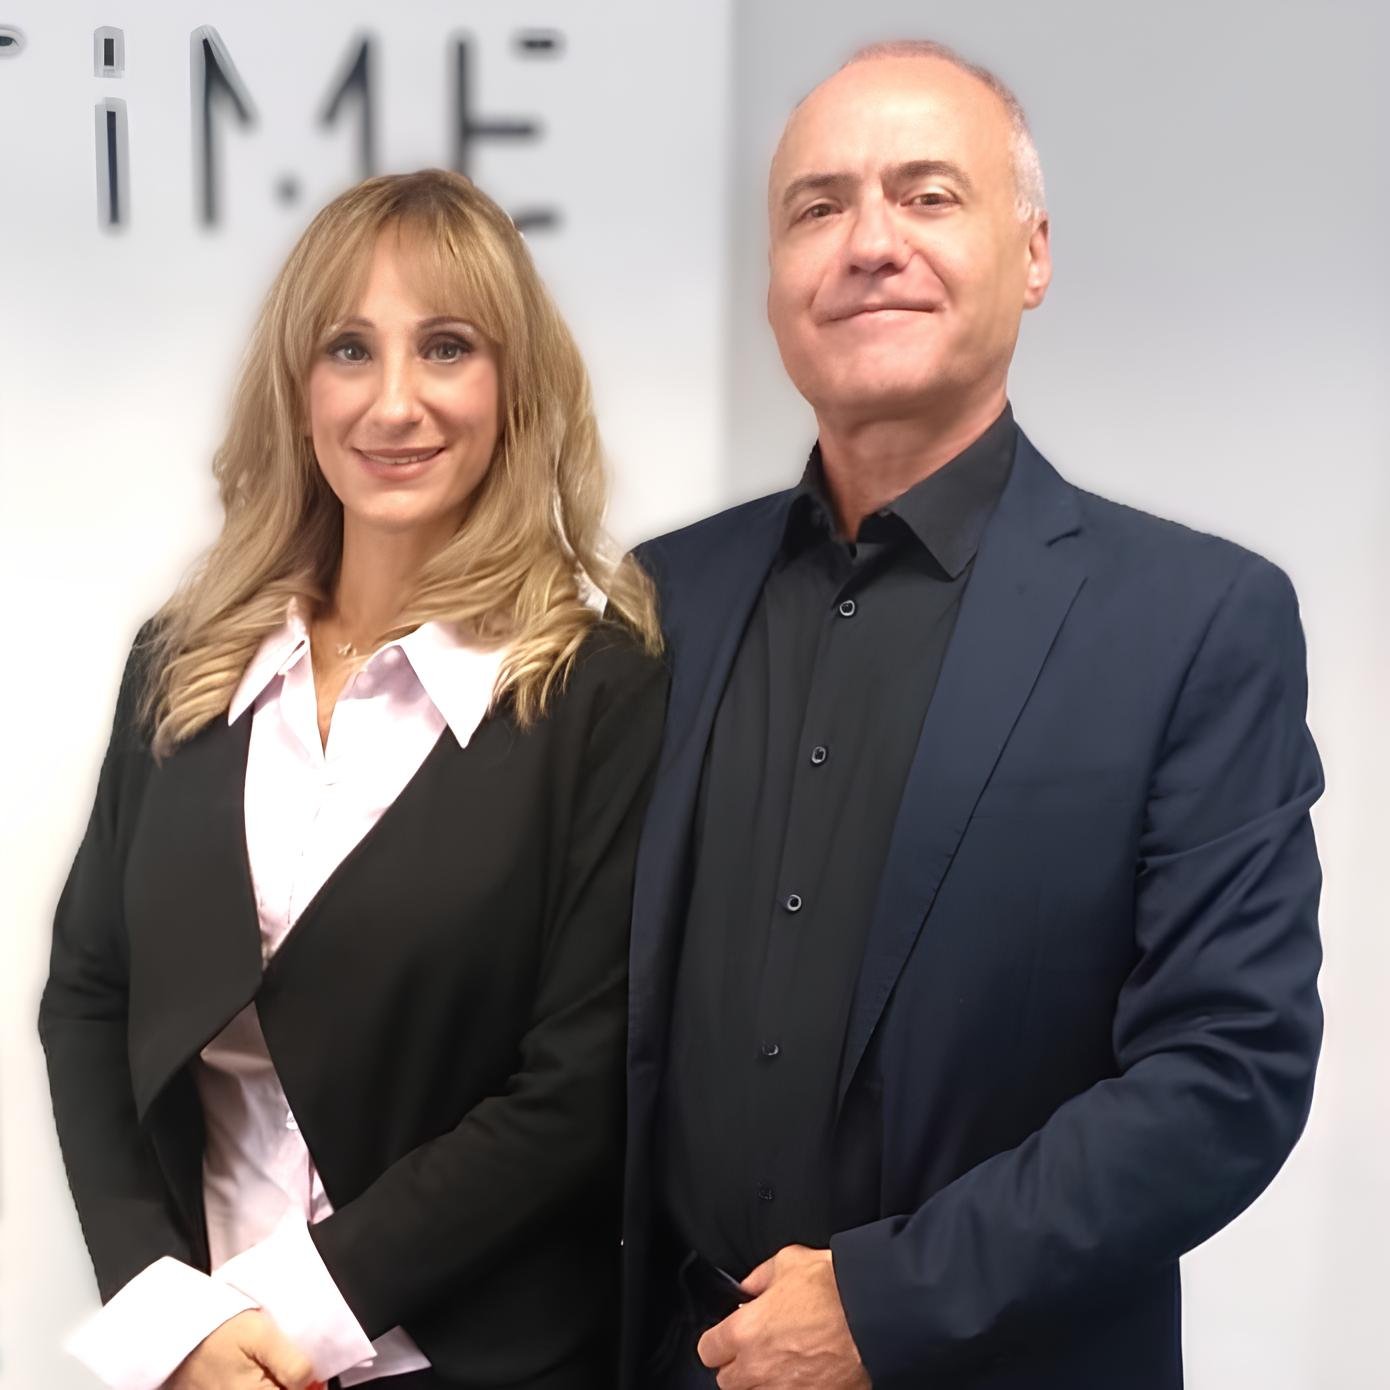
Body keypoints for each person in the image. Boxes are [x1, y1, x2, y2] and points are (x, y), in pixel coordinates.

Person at [622, 39, 1323, 1390]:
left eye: (927, 195)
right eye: (817, 207)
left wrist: (882, 1304)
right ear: (772, 281)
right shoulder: (656, 602)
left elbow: (1225, 1069)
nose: (868, 243)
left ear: (1033, 253)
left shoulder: (1190, 622)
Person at [40, 168, 667, 1390]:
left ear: (514, 386)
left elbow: (579, 1085)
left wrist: (288, 1317)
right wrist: (170, 1315)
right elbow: (89, 998)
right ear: (297, 387)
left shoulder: (599, 690)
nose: (393, 402)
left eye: (446, 347)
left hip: (475, 1363)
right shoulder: (183, 666)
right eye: (348, 349)